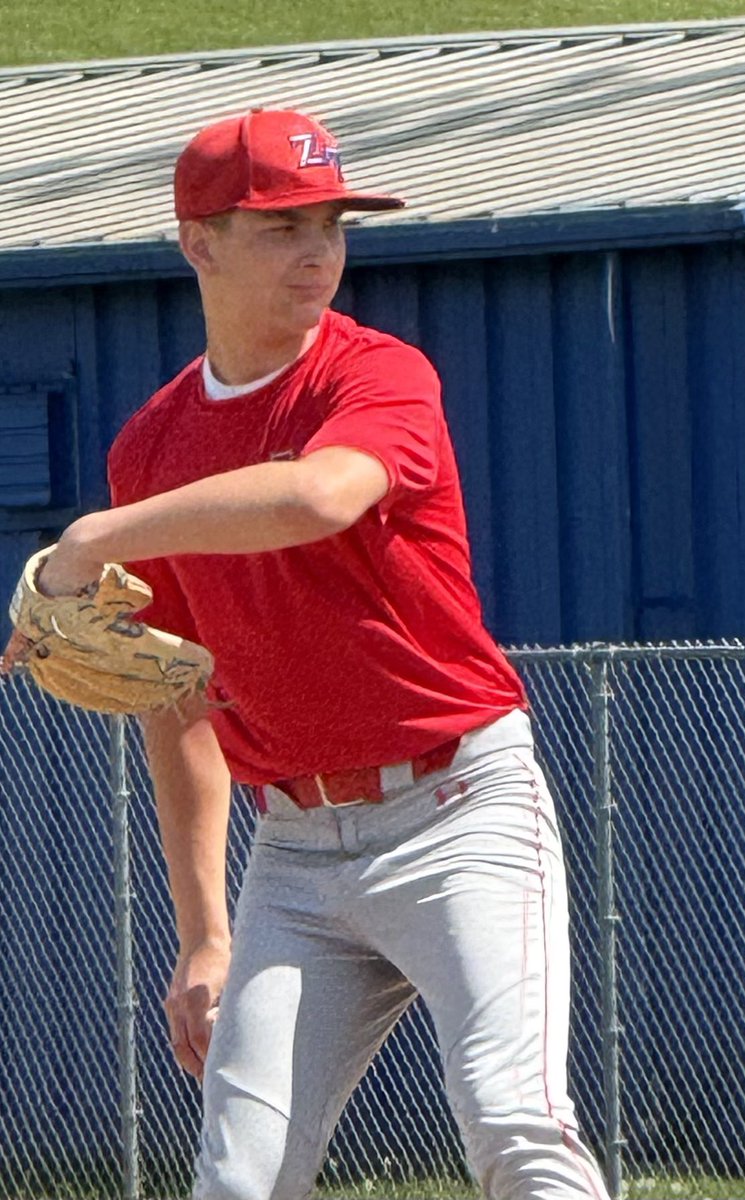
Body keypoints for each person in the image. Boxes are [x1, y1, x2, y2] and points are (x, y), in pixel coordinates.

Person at [32, 109, 609, 1200]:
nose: (318, 252)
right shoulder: (150, 446)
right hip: (293, 853)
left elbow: (317, 494)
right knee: (240, 1176)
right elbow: (177, 690)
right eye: (282, 226)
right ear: (197, 242)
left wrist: (102, 535)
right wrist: (204, 936)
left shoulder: (375, 377)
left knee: (514, 1127)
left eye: (332, 223)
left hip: (458, 812)